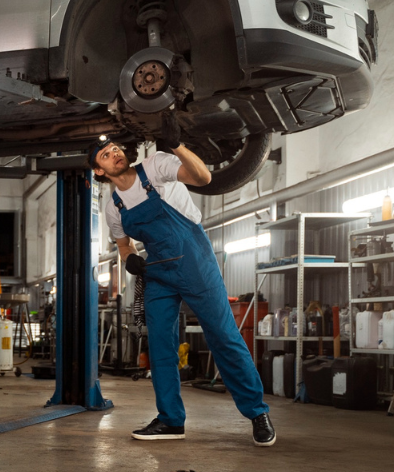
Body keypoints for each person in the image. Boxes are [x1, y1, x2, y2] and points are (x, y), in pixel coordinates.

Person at [88, 116, 275, 446]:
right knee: (161, 347)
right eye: (105, 155)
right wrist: (130, 258)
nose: (115, 153)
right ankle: (171, 420)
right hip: (158, 272)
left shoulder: (156, 165)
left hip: (195, 262)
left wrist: (176, 144)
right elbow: (122, 243)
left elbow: (202, 177)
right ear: (99, 172)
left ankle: (257, 413)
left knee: (223, 337)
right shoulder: (113, 206)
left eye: (115, 148)